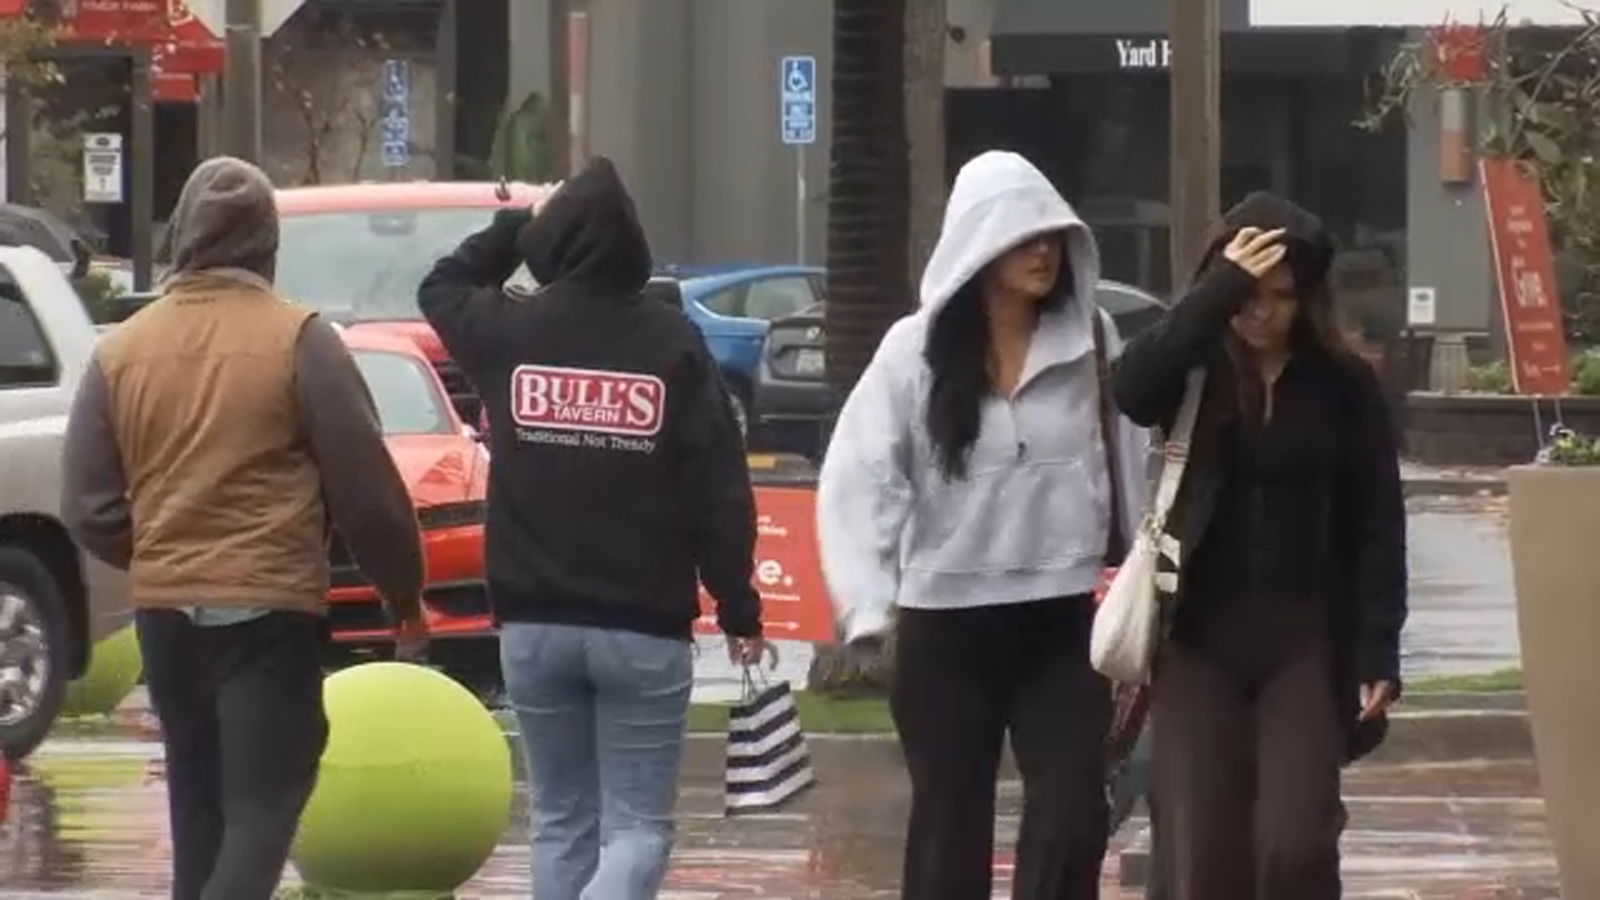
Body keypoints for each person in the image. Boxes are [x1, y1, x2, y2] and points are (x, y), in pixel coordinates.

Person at [60, 156, 427, 900]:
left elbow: (89, 508)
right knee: (263, 810)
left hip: (165, 619)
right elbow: (369, 497)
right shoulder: (300, 341)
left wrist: (164, 552)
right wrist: (406, 599)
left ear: (181, 238)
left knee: (199, 819)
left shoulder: (121, 351)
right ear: (269, 244)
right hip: (268, 613)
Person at [416, 156, 768, 900]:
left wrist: (512, 231)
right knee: (637, 827)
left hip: (532, 622)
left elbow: (440, 287)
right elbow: (717, 487)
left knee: (561, 821)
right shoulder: (671, 343)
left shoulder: (510, 333)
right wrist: (737, 603)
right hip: (642, 623)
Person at [817, 149, 1149, 900]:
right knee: (948, 830)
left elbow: (1130, 464)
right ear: (977, 244)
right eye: (1022, 236)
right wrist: (868, 606)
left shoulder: (1094, 337)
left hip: (1063, 626)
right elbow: (860, 475)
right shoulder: (914, 351)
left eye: (1054, 236)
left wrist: (1140, 587)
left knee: (1071, 816)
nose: (1042, 251)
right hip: (945, 630)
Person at [1110, 192, 1408, 900]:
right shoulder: (1192, 373)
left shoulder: (1345, 386)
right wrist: (1214, 294)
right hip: (1198, 639)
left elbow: (1378, 522)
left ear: (1307, 299)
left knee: (1295, 844)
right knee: (1205, 856)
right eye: (1245, 293)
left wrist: (1379, 648)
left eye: (1279, 295)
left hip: (1303, 641)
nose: (1259, 311)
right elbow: (1128, 388)